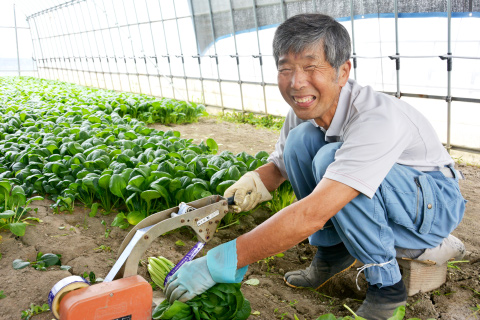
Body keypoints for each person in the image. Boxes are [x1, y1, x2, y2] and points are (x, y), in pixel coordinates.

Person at [165, 13, 466, 319]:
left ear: (343, 71)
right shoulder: (305, 108)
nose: (296, 83)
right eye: (286, 68)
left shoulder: (375, 118)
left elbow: (313, 212)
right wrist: (250, 184)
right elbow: (281, 166)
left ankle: (387, 285)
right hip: (394, 195)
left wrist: (224, 259)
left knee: (328, 159)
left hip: (432, 207)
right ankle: (333, 251)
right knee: (301, 141)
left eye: (311, 67)